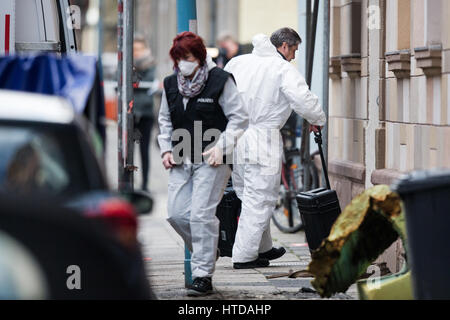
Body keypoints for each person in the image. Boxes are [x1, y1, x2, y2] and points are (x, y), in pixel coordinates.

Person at [224, 28, 326, 269]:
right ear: (284, 47)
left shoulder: (238, 62)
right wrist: (318, 119)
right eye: (294, 50)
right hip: (262, 138)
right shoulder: (282, 69)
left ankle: (263, 247)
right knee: (260, 198)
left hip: (237, 136)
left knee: (247, 193)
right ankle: (244, 255)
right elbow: (302, 98)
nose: (293, 57)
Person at [157, 32, 248, 296]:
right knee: (175, 214)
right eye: (178, 59)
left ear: (199, 56)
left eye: (186, 58)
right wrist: (165, 150)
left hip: (213, 158)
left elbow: (239, 118)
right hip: (181, 157)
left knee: (201, 216)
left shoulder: (220, 80)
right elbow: (165, 120)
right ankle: (209, 249)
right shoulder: (171, 83)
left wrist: (222, 147)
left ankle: (202, 276)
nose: (182, 64)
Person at [133, 35, 157, 191]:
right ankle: (128, 183)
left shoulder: (150, 64)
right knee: (127, 150)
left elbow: (147, 84)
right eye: (134, 49)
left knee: (144, 150)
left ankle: (145, 183)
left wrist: (133, 81)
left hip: (145, 115)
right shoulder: (124, 62)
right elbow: (118, 82)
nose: (136, 52)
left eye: (139, 49)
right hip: (130, 115)